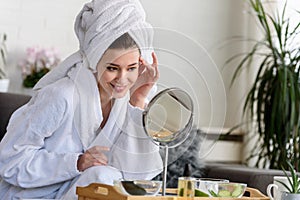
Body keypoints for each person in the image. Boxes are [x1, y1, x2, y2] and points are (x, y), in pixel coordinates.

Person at [0, 0, 163, 199]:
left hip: (82, 194)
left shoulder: (125, 102)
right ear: (95, 61)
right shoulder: (61, 96)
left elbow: (132, 176)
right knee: (102, 176)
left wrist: (138, 99)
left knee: (106, 176)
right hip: (32, 196)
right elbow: (9, 160)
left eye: (131, 68)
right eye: (112, 68)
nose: (122, 79)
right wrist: (75, 163)